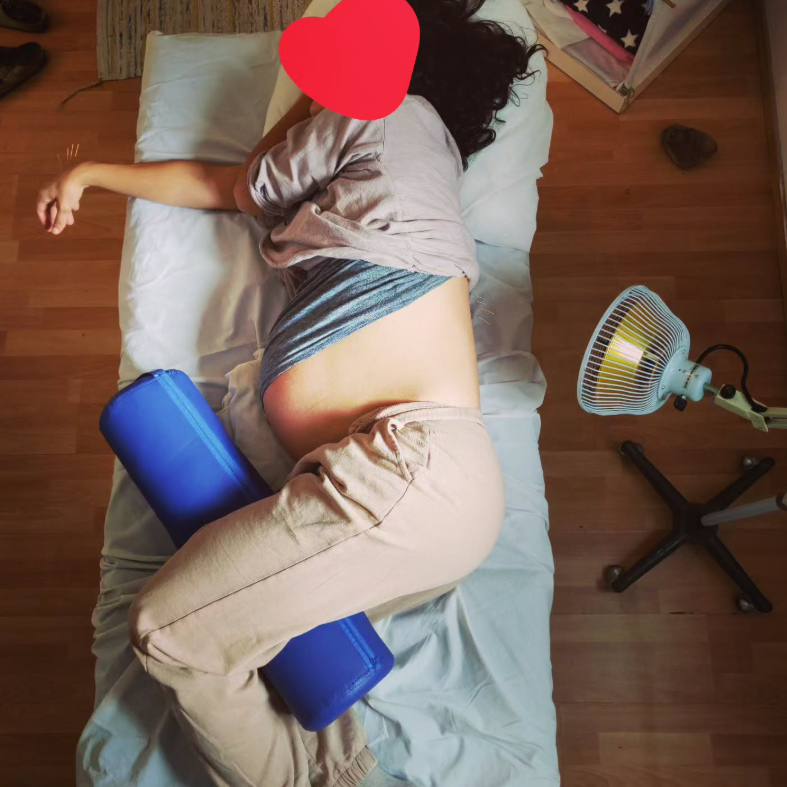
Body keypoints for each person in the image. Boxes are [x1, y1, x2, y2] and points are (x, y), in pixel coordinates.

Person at [36, 1, 543, 785]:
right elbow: (227, 186)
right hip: (398, 484)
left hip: (406, 473)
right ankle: (336, 766)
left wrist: (306, 102)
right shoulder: (403, 147)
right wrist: (90, 172)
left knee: (170, 631)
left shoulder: (383, 114)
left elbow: (242, 183)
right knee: (273, 651)